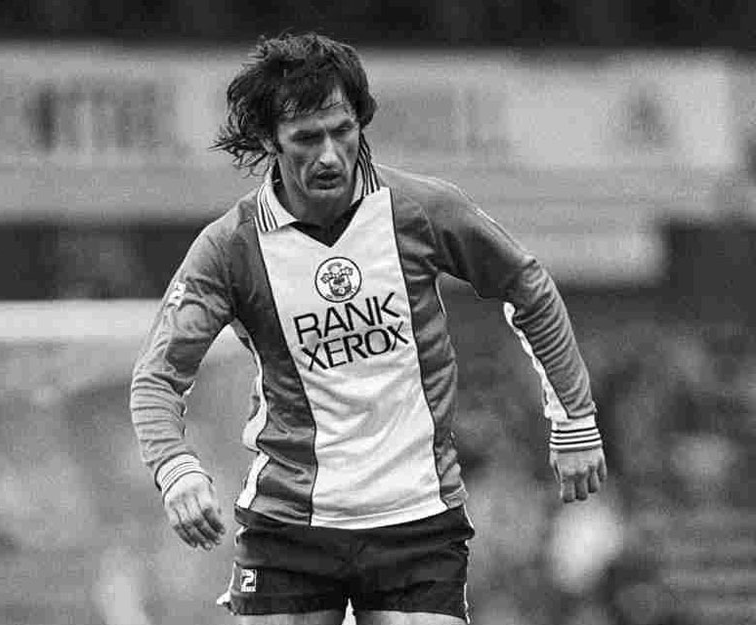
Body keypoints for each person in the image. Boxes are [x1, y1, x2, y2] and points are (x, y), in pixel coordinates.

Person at [130, 32, 606, 625]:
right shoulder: (231, 248)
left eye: (343, 131)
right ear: (270, 140)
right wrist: (175, 467)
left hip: (417, 517)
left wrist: (574, 419)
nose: (330, 155)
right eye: (307, 138)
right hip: (289, 523)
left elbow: (525, 284)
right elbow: (157, 377)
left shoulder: (421, 210)